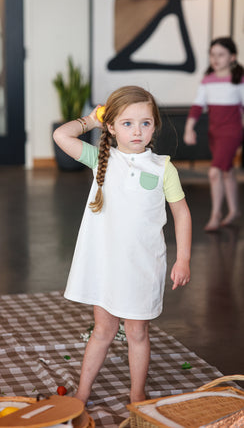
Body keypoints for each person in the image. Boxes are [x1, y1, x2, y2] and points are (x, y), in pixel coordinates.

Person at [53, 85, 192, 404]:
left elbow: (181, 214)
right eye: (127, 123)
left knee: (137, 332)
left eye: (145, 122)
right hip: (105, 266)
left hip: (142, 266)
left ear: (155, 125)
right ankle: (82, 393)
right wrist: (90, 120)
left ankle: (137, 393)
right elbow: (62, 136)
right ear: (112, 127)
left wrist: (182, 259)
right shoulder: (101, 160)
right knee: (102, 330)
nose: (138, 130)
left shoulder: (162, 168)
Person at [183, 37, 244, 231]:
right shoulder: (207, 81)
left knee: (214, 172)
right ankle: (234, 210)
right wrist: (188, 128)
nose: (215, 59)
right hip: (214, 133)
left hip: (232, 132)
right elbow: (197, 106)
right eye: (212, 54)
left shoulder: (238, 80)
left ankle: (216, 214)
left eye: (221, 55)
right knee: (226, 171)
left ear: (232, 57)